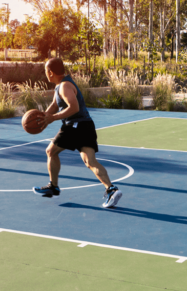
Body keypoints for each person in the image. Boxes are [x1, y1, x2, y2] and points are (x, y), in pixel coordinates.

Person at [33, 58, 123, 208]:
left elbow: (73, 107)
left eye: (45, 72)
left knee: (51, 151)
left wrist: (53, 118)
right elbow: (55, 105)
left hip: (74, 124)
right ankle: (111, 189)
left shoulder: (64, 86)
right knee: (90, 161)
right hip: (85, 125)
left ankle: (53, 186)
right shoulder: (62, 85)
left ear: (50, 72)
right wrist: (44, 118)